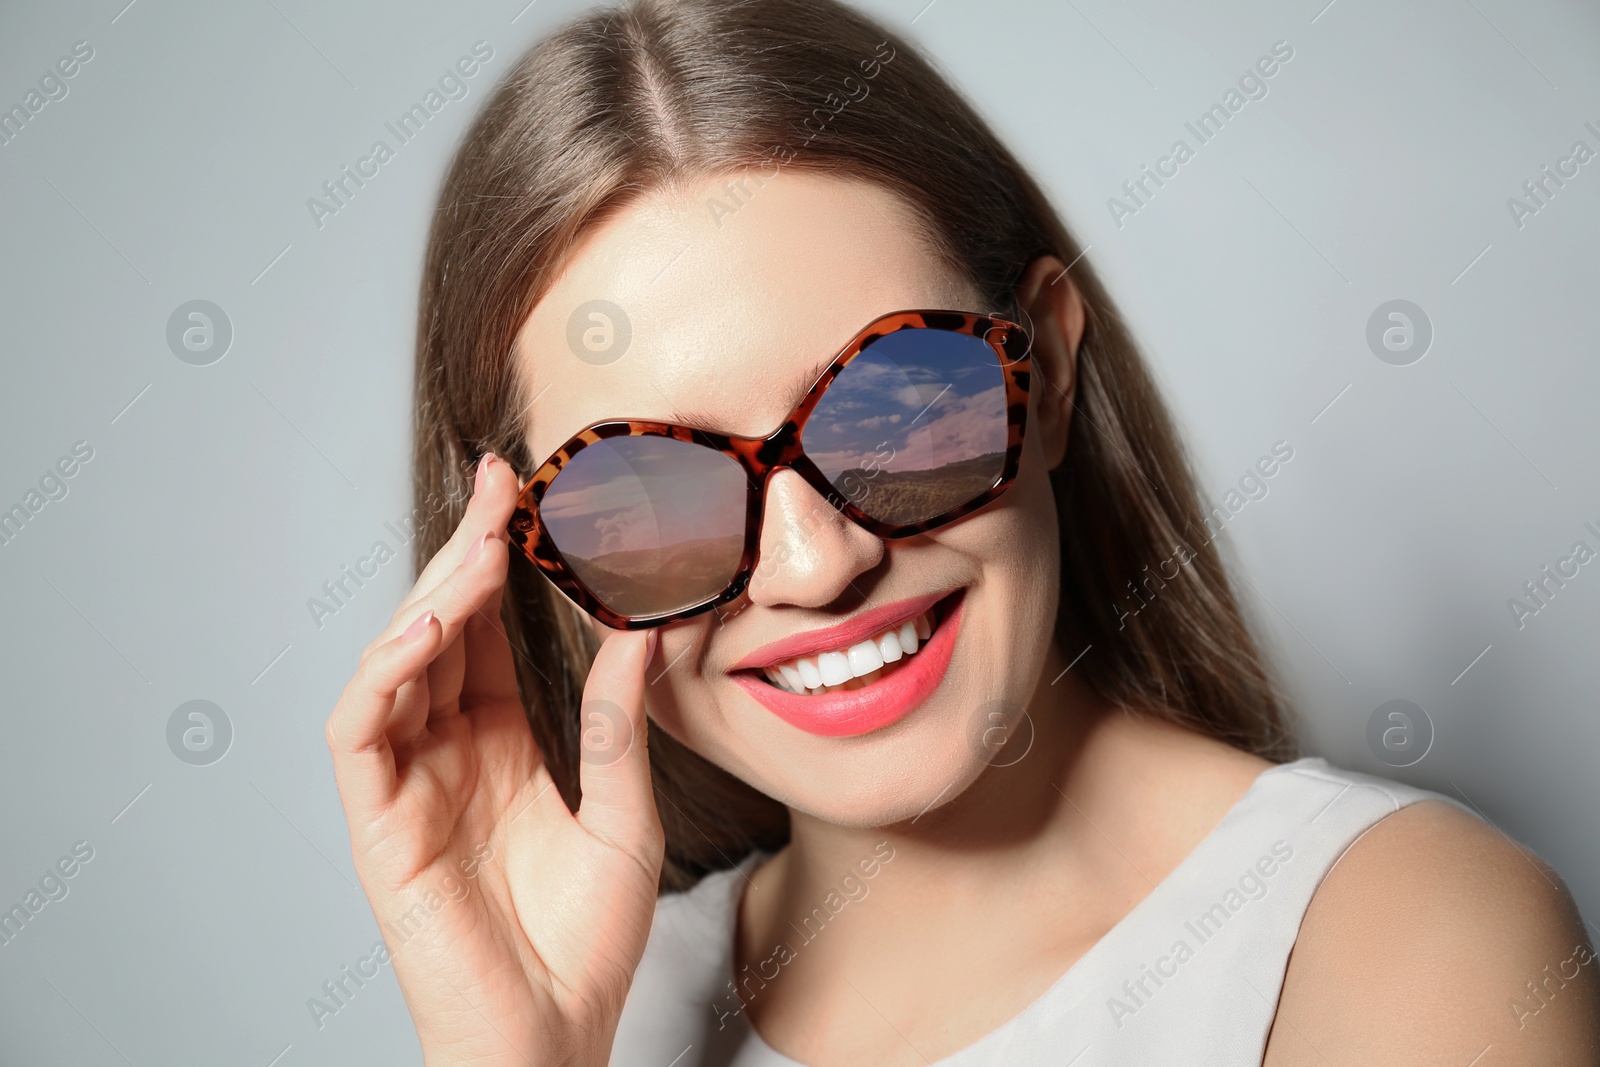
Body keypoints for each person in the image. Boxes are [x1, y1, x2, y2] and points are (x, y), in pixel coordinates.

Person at [324, 0, 1600, 1062]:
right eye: (650, 496)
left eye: (896, 409)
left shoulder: (1408, 938)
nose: (818, 564)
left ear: (1041, 364)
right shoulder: (603, 1016)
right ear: (534, 562)